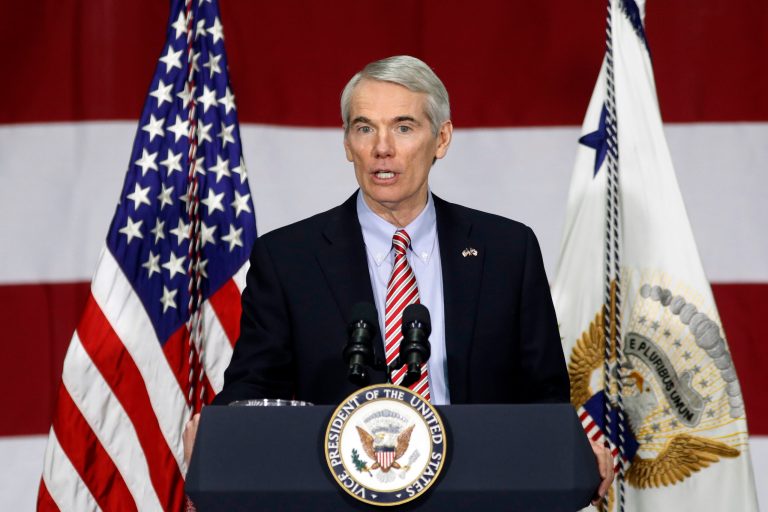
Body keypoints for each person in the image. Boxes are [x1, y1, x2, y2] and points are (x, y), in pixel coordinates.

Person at [184, 55, 612, 504]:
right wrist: (220, 433)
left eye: (404, 127)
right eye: (364, 128)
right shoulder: (289, 257)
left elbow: (544, 397)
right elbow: (254, 391)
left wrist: (571, 452)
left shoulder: (507, 250)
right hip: (337, 496)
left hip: (480, 495)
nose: (381, 148)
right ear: (348, 143)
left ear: (441, 138)